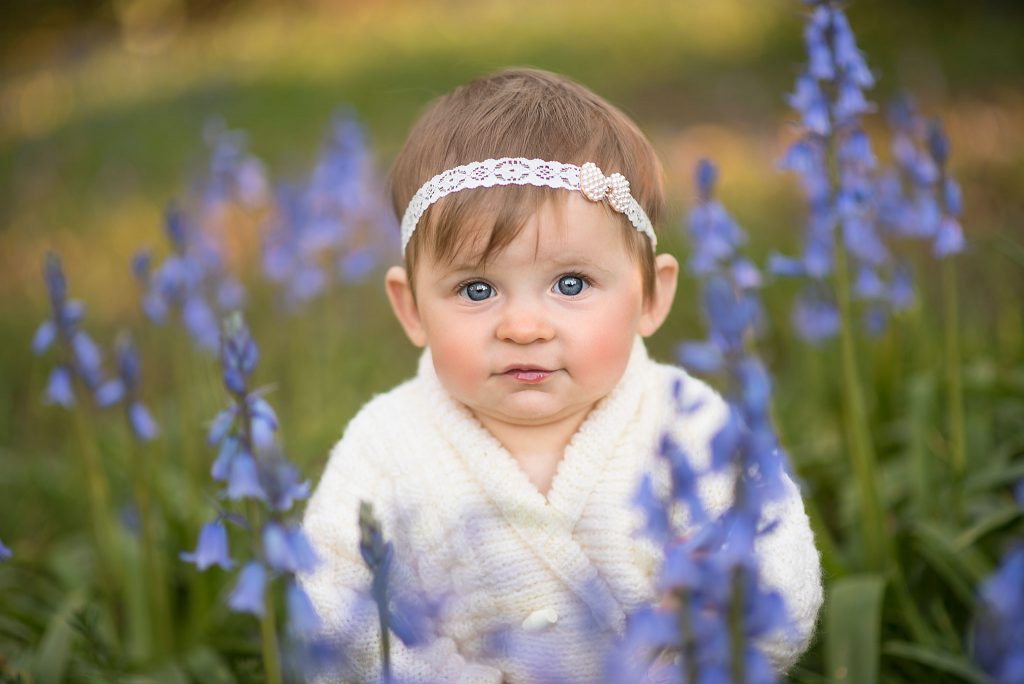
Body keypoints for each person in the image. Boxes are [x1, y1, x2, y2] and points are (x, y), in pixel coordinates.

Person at [299, 67, 823, 683]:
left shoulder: (689, 420)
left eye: (571, 284)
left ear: (652, 295)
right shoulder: (384, 442)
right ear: (411, 308)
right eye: (476, 288)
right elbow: (326, 598)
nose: (524, 326)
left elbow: (780, 575)